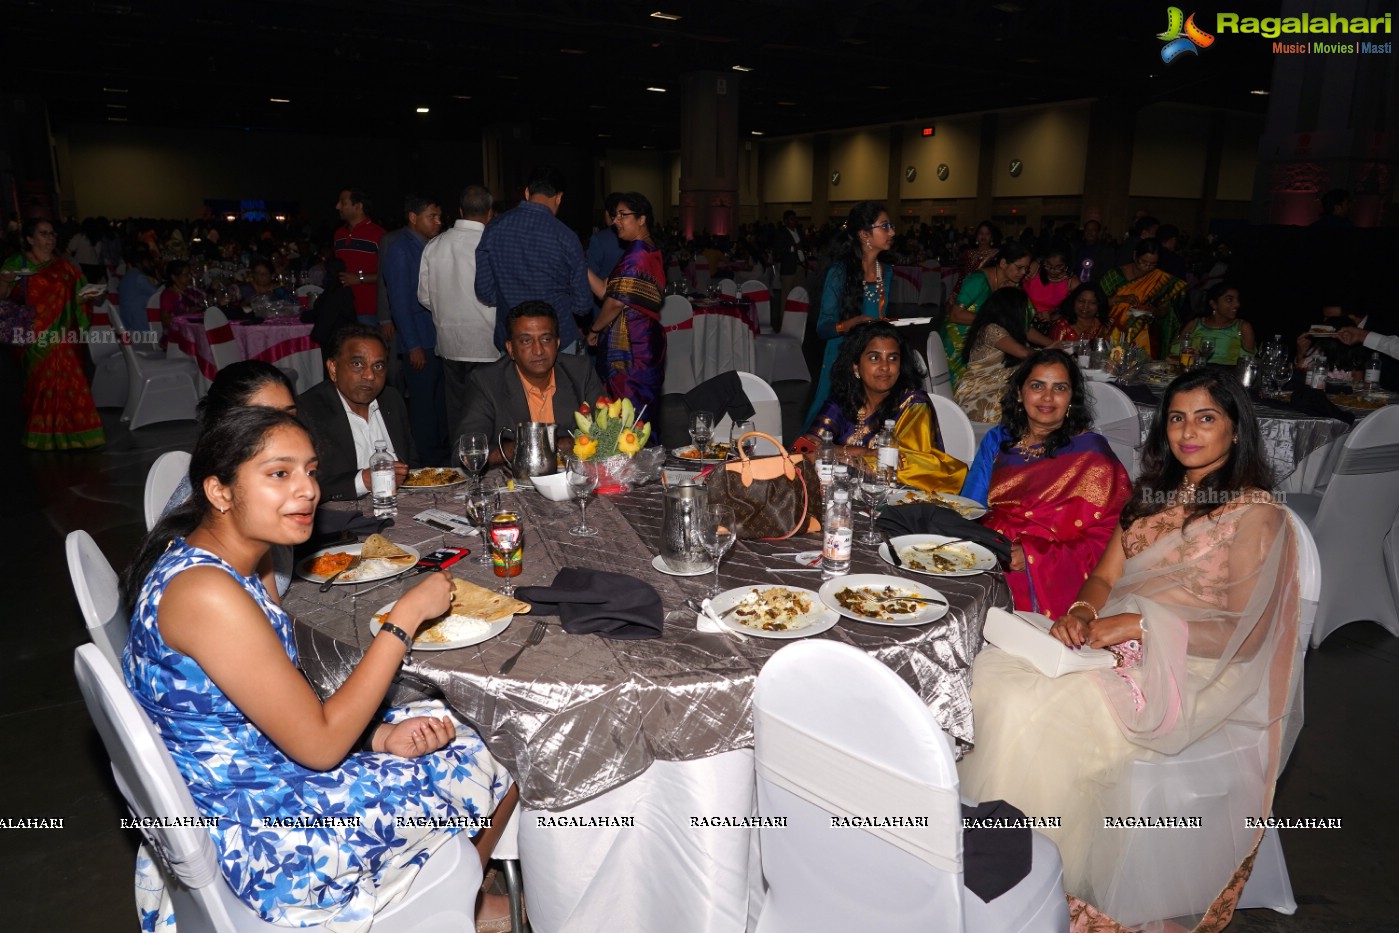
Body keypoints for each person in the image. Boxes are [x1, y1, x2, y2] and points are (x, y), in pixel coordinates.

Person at [121, 407, 515, 932]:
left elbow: (273, 703)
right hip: (266, 836)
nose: (306, 489)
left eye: (309, 471)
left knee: (438, 716)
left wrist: (376, 737)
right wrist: (404, 620)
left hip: (241, 782)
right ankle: (457, 904)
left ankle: (455, 894)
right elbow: (321, 746)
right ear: (219, 491)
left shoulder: (205, 560)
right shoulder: (207, 594)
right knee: (501, 736)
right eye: (279, 473)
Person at [958, 368, 1300, 931]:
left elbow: (1247, 635)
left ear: (1237, 430)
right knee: (993, 679)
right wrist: (1083, 612)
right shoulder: (1151, 496)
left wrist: (1139, 626)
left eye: (1206, 418)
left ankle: (1038, 884)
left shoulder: (1255, 515)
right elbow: (1102, 576)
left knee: (1038, 712)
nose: (1188, 432)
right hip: (1117, 641)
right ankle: (991, 871)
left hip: (1195, 667)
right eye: (1177, 418)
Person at [960, 350, 1131, 618]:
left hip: (1044, 574)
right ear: (1019, 393)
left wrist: (1032, 557)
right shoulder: (998, 439)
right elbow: (970, 508)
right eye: (1037, 386)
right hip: (988, 556)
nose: (1047, 397)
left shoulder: (1093, 456)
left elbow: (1112, 540)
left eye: (1059, 388)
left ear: (1071, 398)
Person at [160, 361, 298, 597]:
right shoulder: (216, 513)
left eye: (289, 417)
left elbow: (270, 602)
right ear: (224, 425)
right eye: (263, 421)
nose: (283, 431)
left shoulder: (248, 484)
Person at [801, 321, 967, 492]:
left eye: (893, 358)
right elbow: (805, 448)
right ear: (856, 367)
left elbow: (901, 466)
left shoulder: (913, 405)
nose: (885, 367)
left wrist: (835, 454)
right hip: (846, 496)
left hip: (900, 501)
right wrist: (862, 452)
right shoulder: (842, 402)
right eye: (874, 358)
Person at [457, 301, 604, 466]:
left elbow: (609, 433)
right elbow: (466, 453)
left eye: (546, 339)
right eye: (526, 341)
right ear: (510, 349)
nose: (538, 350)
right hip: (514, 483)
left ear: (557, 344)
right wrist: (534, 446)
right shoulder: (486, 381)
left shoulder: (580, 372)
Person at [0, 217, 104, 450]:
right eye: (44, 234)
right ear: (29, 238)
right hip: (33, 338)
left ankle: (78, 433)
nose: (50, 238)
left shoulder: (64, 265)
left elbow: (79, 293)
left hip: (64, 336)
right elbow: (3, 297)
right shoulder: (17, 263)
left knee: (71, 380)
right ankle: (43, 435)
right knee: (40, 386)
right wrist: (5, 282)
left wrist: (93, 295)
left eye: (52, 234)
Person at [476, 166, 591, 354]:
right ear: (559, 197)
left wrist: (512, 295)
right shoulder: (566, 236)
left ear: (527, 192)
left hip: (513, 337)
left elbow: (485, 292)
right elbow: (583, 304)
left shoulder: (493, 228)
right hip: (556, 337)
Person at [296, 323, 415, 499]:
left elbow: (412, 464)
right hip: (341, 518)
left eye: (378, 366)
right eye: (358, 364)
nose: (370, 376)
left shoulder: (391, 400)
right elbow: (300, 485)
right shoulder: (308, 411)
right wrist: (362, 481)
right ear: (333, 369)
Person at [418, 184, 500, 432]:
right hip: (488, 344)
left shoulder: (434, 245)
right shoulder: (493, 244)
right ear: (490, 213)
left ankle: (461, 466)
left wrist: (448, 311)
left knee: (458, 413)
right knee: (490, 413)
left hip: (450, 344)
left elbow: (424, 296)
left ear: (461, 210)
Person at [805, 201, 896, 425]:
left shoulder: (887, 272)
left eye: (890, 226)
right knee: (830, 425)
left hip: (873, 357)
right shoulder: (840, 272)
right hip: (842, 357)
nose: (892, 232)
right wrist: (850, 324)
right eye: (884, 226)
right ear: (864, 234)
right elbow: (823, 328)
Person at [585, 192, 665, 423]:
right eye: (614, 215)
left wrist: (595, 329)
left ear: (642, 219)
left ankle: (631, 460)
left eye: (623, 215)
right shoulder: (646, 250)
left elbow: (616, 301)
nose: (615, 221)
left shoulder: (637, 254)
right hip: (642, 342)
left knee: (629, 414)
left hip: (632, 347)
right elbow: (604, 290)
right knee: (636, 413)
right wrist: (579, 263)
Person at [383, 193, 448, 465]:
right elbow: (398, 302)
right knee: (422, 406)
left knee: (439, 404)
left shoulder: (431, 245)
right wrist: (412, 345)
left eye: (439, 217)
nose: (438, 222)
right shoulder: (401, 250)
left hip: (437, 339)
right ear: (413, 217)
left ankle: (443, 456)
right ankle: (426, 462)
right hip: (419, 340)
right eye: (431, 217)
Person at [940, 240, 1041, 389]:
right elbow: (955, 315)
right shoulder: (978, 280)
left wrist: (1053, 344)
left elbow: (1022, 326)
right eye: (1019, 267)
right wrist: (994, 320)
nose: (1023, 273)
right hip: (960, 341)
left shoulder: (1012, 286)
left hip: (991, 341)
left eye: (1026, 269)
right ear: (1003, 263)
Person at [954, 287, 1037, 423]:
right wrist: (1050, 355)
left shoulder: (1001, 328)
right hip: (979, 395)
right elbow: (1024, 353)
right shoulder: (991, 329)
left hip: (991, 389)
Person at [1100, 238, 1187, 358]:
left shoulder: (1160, 280)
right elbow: (1097, 302)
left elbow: (1164, 311)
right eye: (1143, 262)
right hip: (1113, 332)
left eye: (1153, 264)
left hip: (1145, 338)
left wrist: (1153, 311)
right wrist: (1119, 299)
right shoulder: (1115, 275)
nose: (1147, 267)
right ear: (1135, 256)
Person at [332, 188, 386, 327]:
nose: (337, 206)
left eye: (343, 203)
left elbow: (390, 274)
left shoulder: (380, 235)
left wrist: (360, 278)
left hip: (370, 311)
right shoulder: (339, 234)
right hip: (343, 308)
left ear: (358, 206)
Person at [1171, 283, 1254, 365]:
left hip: (1226, 376)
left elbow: (1248, 363)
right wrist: (1190, 357)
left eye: (1238, 300)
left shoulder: (1242, 327)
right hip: (1195, 374)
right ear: (1213, 304)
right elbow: (1173, 356)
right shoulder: (1194, 325)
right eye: (1229, 300)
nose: (1237, 304)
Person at [1022, 242, 1072, 332]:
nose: (1052, 270)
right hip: (1024, 316)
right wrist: (1032, 311)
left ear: (1066, 265)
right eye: (1048, 265)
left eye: (1058, 267)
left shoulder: (1071, 282)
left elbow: (1074, 310)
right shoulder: (1035, 268)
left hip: (1048, 323)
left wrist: (1053, 316)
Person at [770, 209, 808, 315]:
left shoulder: (799, 231)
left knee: (799, 294)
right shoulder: (781, 233)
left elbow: (803, 244)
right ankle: (784, 319)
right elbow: (777, 249)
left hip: (800, 265)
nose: (794, 221)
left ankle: (797, 317)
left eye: (795, 218)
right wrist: (793, 248)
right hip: (788, 267)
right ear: (785, 221)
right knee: (786, 295)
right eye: (792, 219)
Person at [952, 220, 1001, 298]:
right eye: (981, 233)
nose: (983, 236)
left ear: (992, 237)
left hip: (986, 294)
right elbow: (963, 275)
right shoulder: (969, 253)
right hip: (967, 291)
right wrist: (955, 293)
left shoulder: (996, 254)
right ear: (976, 236)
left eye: (987, 233)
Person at [118, 251, 160, 333]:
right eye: (148, 262)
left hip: (128, 322)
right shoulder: (139, 278)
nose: (151, 265)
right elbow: (158, 295)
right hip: (140, 324)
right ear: (140, 264)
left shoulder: (129, 275)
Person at [157, 259, 207, 325]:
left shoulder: (191, 290)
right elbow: (165, 320)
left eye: (190, 274)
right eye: (186, 275)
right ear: (174, 277)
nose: (190, 277)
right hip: (179, 331)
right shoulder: (168, 295)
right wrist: (186, 315)